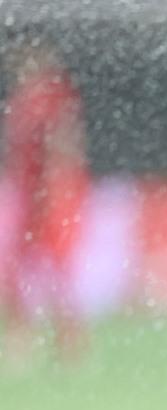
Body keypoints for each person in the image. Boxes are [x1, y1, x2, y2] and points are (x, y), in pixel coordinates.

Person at [1, 42, 90, 367]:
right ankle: (21, 337)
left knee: (57, 266)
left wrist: (54, 187)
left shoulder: (56, 97)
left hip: (52, 192)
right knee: (18, 264)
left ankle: (70, 340)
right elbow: (13, 148)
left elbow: (66, 143)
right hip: (27, 192)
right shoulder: (21, 101)